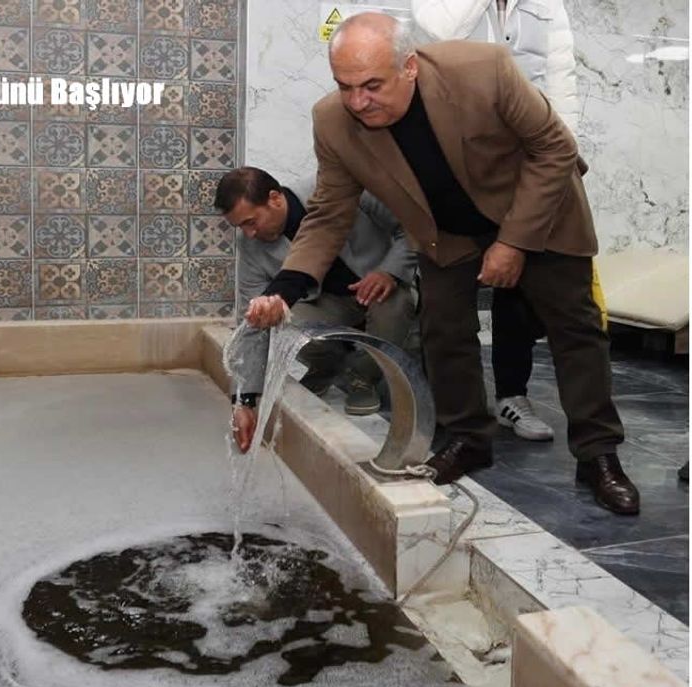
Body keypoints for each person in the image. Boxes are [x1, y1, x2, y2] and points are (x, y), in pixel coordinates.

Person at [244, 13, 639, 514]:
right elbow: (328, 214)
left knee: (575, 330)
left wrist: (513, 243)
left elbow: (555, 148)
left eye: (372, 86)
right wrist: (284, 290)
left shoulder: (484, 70)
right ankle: (468, 438)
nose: (358, 102)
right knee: (443, 330)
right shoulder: (332, 121)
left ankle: (598, 454)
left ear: (409, 66)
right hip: (446, 230)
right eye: (345, 87)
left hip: (540, 210)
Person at [411, 0, 607, 442]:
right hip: (461, 162)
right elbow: (437, 31)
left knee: (532, 298)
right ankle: (459, 424)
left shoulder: (547, 5)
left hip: (531, 160)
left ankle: (514, 398)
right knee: (447, 311)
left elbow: (561, 79)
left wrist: (565, 158)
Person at [215, 166, 417, 452]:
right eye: (241, 227)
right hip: (329, 303)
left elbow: (411, 228)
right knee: (281, 320)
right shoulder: (250, 245)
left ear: (274, 199)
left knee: (394, 306)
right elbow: (252, 322)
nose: (249, 234)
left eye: (251, 222)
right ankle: (326, 364)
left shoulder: (337, 186)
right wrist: (243, 400)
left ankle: (364, 376)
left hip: (382, 288)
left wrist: (390, 272)